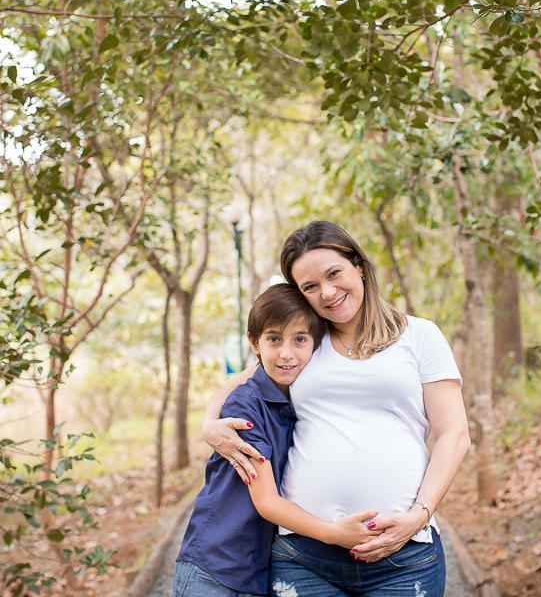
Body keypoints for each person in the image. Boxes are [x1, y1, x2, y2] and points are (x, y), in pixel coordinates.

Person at [202, 221, 470, 597]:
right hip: (304, 558)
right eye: (310, 286)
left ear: (358, 266)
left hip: (403, 555)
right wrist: (208, 423)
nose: (327, 293)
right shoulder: (304, 344)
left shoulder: (420, 336)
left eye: (334, 274)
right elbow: (239, 383)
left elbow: (454, 435)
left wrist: (419, 516)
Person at [175, 284, 382, 597]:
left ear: (317, 343)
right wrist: (332, 533)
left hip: (260, 569)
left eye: (299, 339)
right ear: (254, 344)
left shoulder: (305, 402)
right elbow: (266, 500)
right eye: (274, 339)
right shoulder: (245, 406)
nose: (287, 353)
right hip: (215, 567)